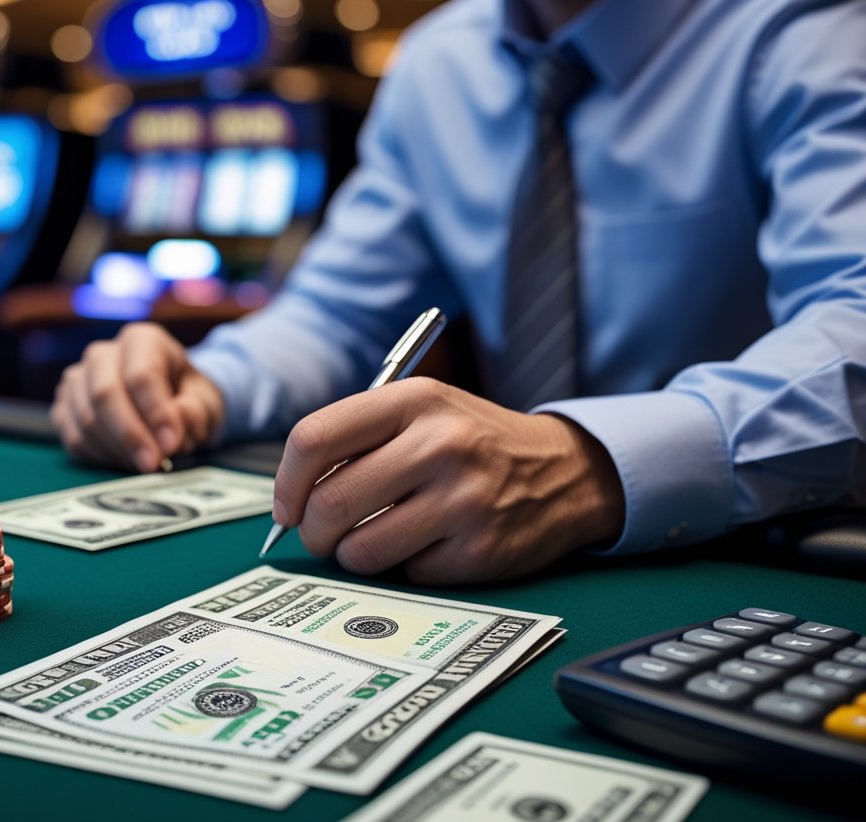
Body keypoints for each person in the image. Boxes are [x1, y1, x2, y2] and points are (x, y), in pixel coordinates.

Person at [50, 0, 866, 584]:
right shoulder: (441, 57)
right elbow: (337, 314)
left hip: (759, 552)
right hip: (484, 555)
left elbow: (855, 323)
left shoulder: (809, 30)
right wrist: (205, 384)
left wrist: (590, 462)